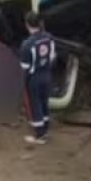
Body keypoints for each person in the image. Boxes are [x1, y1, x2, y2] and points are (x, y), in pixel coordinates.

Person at [18, 12, 56, 145]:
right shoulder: (49, 38)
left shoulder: (27, 44)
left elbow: (24, 68)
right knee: (44, 103)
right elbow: (52, 58)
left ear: (27, 24)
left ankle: (40, 135)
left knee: (36, 105)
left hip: (34, 78)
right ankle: (45, 129)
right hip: (47, 74)